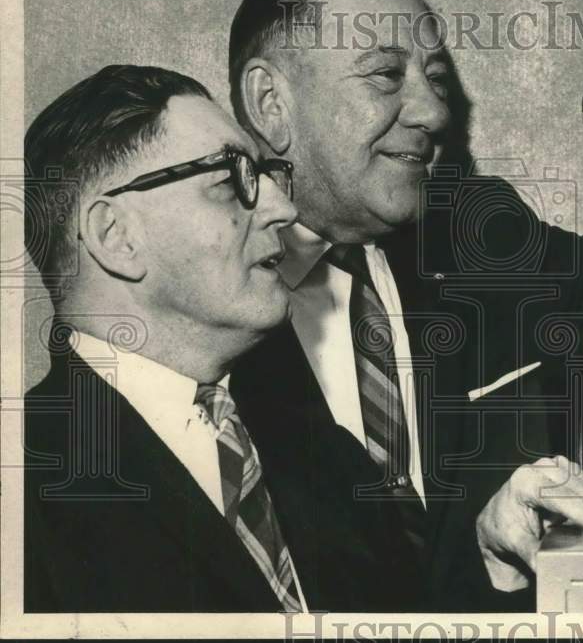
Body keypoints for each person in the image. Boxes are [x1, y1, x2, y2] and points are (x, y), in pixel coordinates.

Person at [227, 0, 583, 610]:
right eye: (385, 76)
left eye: (433, 77)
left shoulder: (478, 238)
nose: (433, 113)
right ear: (270, 104)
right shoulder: (201, 303)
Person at [21, 65, 435, 612]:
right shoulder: (23, 494)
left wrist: (493, 562)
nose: (283, 209)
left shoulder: (323, 453)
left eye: (264, 177)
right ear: (115, 236)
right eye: (229, 181)